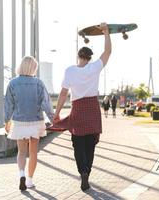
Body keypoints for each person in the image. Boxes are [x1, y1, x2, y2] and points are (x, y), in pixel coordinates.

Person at [53, 22, 111, 191]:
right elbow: (107, 52)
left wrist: (57, 113)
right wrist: (106, 32)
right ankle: (88, 172)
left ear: (78, 56)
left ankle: (83, 172)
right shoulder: (94, 68)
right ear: (89, 58)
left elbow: (63, 94)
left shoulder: (70, 71)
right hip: (92, 108)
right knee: (90, 143)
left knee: (78, 143)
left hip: (77, 109)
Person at [4, 56, 54, 191]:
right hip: (36, 122)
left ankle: (21, 175)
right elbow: (46, 103)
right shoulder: (39, 83)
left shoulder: (12, 83)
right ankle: (30, 181)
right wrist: (52, 117)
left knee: (21, 152)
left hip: (19, 122)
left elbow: (8, 104)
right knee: (33, 153)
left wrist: (6, 121)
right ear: (33, 68)